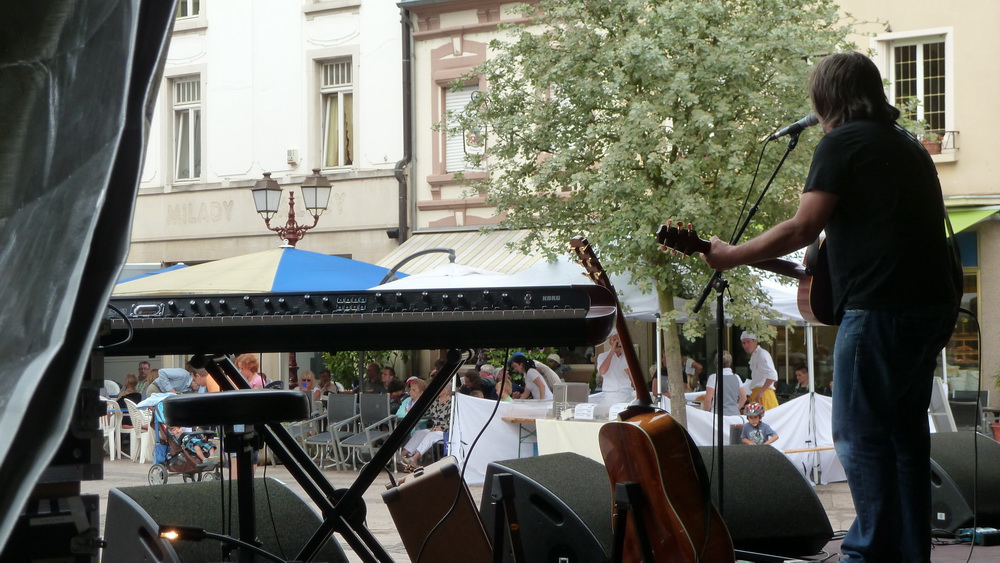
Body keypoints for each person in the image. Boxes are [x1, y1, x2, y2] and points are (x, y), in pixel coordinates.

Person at [701, 52, 959, 562]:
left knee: (860, 436)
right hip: (931, 307)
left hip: (880, 311)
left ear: (826, 98)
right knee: (905, 438)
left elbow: (802, 227)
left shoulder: (841, 143)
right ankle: (909, 554)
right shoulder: (908, 146)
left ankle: (866, 554)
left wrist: (730, 255)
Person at [400, 386, 452, 471]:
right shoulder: (435, 402)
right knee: (419, 433)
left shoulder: (451, 403)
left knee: (430, 435)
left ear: (446, 391)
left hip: (446, 431)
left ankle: (413, 459)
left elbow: (454, 420)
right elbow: (424, 410)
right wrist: (413, 410)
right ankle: (402, 456)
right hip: (434, 428)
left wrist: (441, 428)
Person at [593, 330, 635, 407]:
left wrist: (630, 375)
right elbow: (602, 371)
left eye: (619, 340)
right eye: (614, 340)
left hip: (626, 395)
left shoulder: (629, 357)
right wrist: (613, 350)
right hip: (610, 396)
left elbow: (634, 381)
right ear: (610, 342)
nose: (617, 342)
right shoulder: (603, 356)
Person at [740, 332, 779, 411]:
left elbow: (772, 376)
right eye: (743, 343)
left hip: (764, 394)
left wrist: (761, 392)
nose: (746, 345)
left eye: (748, 342)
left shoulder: (762, 354)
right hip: (757, 393)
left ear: (755, 341)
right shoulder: (755, 355)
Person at [702, 351, 746, 416]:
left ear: (716, 363)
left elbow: (708, 400)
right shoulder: (737, 377)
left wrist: (706, 413)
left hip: (717, 415)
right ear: (730, 363)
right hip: (734, 415)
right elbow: (743, 398)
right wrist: (735, 408)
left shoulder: (713, 377)